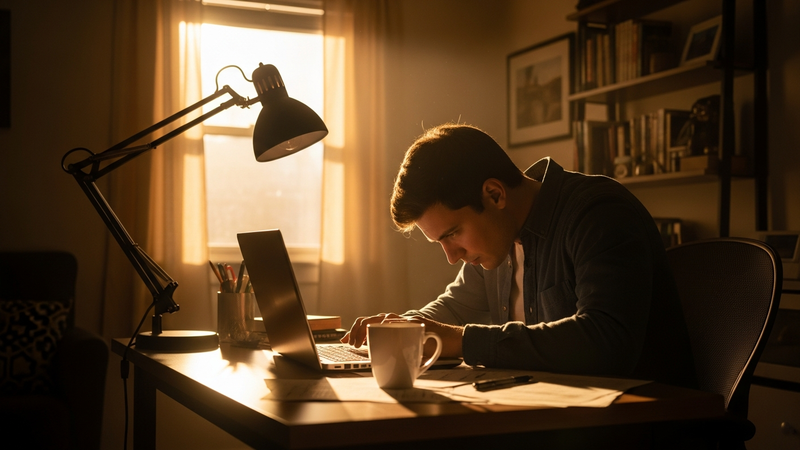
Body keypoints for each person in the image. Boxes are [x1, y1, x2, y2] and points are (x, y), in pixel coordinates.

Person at [342, 123, 696, 387]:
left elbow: (608, 343)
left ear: (495, 195)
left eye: (452, 234)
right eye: (440, 242)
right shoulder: (497, 241)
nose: (451, 256)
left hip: (640, 424)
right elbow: (454, 309)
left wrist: (461, 341)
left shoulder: (598, 213)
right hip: (552, 417)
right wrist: (402, 327)